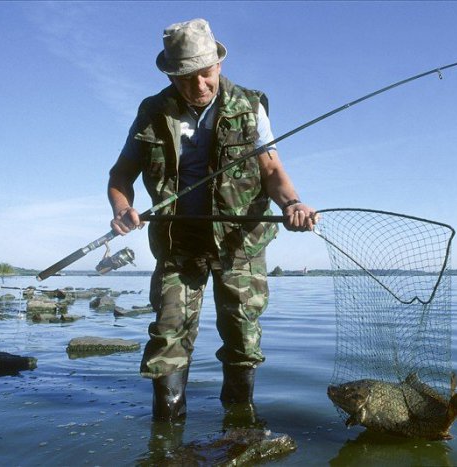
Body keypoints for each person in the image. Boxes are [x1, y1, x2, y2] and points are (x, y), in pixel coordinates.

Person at [107, 18, 316, 421]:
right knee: (168, 336)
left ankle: (240, 424)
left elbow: (272, 171)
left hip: (241, 245)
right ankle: (166, 436)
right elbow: (120, 177)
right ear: (171, 74)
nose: (199, 86)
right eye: (186, 78)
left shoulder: (251, 105)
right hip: (178, 243)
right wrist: (122, 208)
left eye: (205, 75)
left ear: (218, 64)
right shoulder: (151, 112)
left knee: (242, 338)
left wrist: (293, 204)